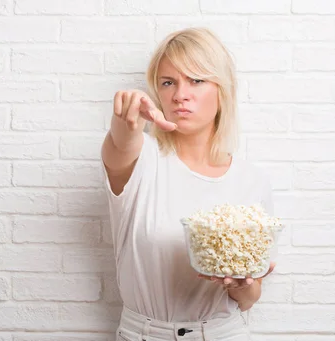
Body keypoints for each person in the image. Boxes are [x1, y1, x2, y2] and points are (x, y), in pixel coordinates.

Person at [100, 27, 276, 341]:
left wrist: (242, 286)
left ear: (222, 90)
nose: (180, 94)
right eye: (168, 82)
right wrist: (125, 118)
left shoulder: (253, 181)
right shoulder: (140, 159)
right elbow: (120, 142)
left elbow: (250, 299)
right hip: (143, 333)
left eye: (196, 80)